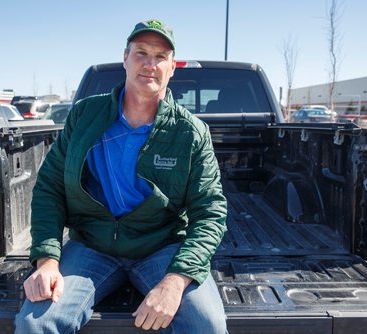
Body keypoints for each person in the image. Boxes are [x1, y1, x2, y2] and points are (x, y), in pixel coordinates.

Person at [15, 19, 228, 334]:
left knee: (206, 324)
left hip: (161, 247)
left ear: (172, 68)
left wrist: (176, 280)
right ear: (125, 58)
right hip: (92, 246)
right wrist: (46, 259)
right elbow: (50, 187)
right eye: (141, 53)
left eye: (160, 56)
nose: (150, 64)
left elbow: (210, 212)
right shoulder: (85, 115)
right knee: (36, 323)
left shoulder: (190, 132)